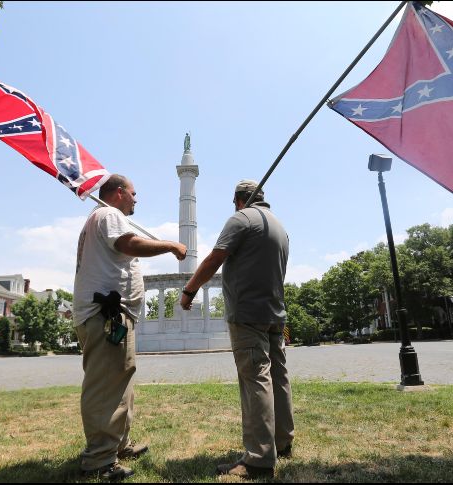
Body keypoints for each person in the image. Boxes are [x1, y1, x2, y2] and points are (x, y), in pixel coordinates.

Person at [73, 174, 187, 480]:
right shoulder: (109, 214)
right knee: (105, 385)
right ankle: (98, 460)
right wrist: (170, 245)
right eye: (134, 193)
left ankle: (118, 444)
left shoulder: (100, 218)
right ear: (120, 193)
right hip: (104, 314)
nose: (137, 199)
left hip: (109, 315)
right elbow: (129, 243)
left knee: (120, 381)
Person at [180, 179, 294, 479]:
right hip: (275, 313)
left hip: (247, 313)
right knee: (278, 378)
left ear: (238, 199)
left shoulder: (241, 219)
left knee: (255, 379)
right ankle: (282, 441)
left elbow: (215, 258)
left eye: (234, 202)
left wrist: (189, 290)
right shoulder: (279, 227)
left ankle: (258, 458)